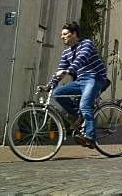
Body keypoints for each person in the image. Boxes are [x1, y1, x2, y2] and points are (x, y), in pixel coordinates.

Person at [38, 21, 108, 149]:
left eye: (65, 34)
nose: (62, 37)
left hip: (95, 78)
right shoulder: (66, 53)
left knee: (85, 104)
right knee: (57, 94)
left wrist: (69, 71)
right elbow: (60, 70)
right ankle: (81, 116)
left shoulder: (86, 43)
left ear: (74, 34)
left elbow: (82, 58)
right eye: (62, 34)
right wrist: (49, 86)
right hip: (80, 81)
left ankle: (91, 137)